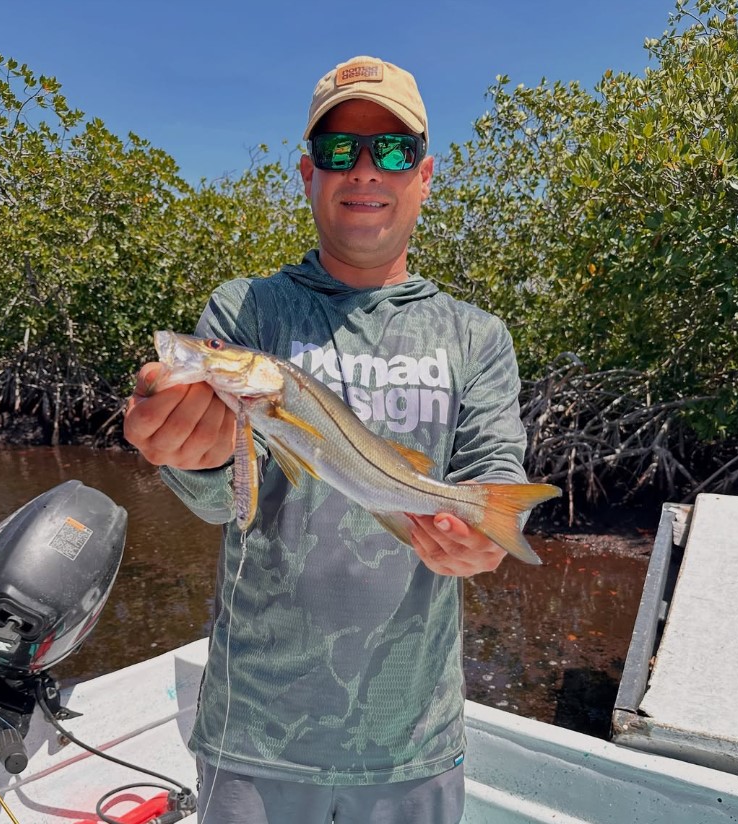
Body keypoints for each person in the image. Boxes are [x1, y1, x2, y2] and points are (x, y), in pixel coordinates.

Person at [124, 55, 532, 824]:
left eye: (394, 150)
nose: (366, 170)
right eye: (341, 151)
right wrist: (191, 453)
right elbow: (221, 499)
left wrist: (484, 540)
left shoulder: (478, 336)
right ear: (308, 174)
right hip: (254, 738)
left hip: (413, 740)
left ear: (426, 174)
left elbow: (491, 473)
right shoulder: (247, 312)